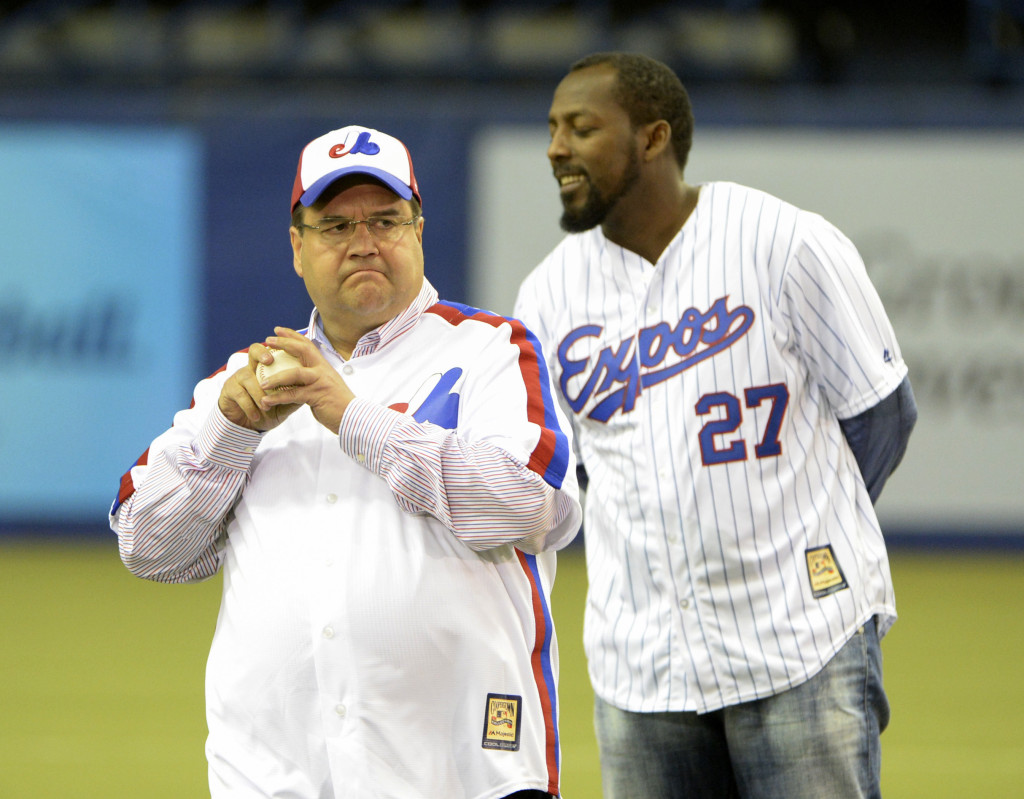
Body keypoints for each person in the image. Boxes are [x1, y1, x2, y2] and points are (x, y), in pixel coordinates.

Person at [110, 124, 582, 799]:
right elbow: (147, 547)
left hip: (462, 771)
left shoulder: (491, 350)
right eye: (335, 225)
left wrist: (353, 417)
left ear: (418, 229)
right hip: (274, 774)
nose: (363, 241)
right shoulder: (241, 386)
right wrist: (230, 432)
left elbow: (530, 504)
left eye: (385, 219)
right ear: (298, 248)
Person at [514, 52, 918, 799]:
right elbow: (568, 474)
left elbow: (883, 411)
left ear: (652, 137)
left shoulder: (782, 242)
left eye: (580, 127)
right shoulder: (547, 295)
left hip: (801, 638)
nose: (555, 149)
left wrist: (800, 522)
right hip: (642, 665)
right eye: (550, 129)